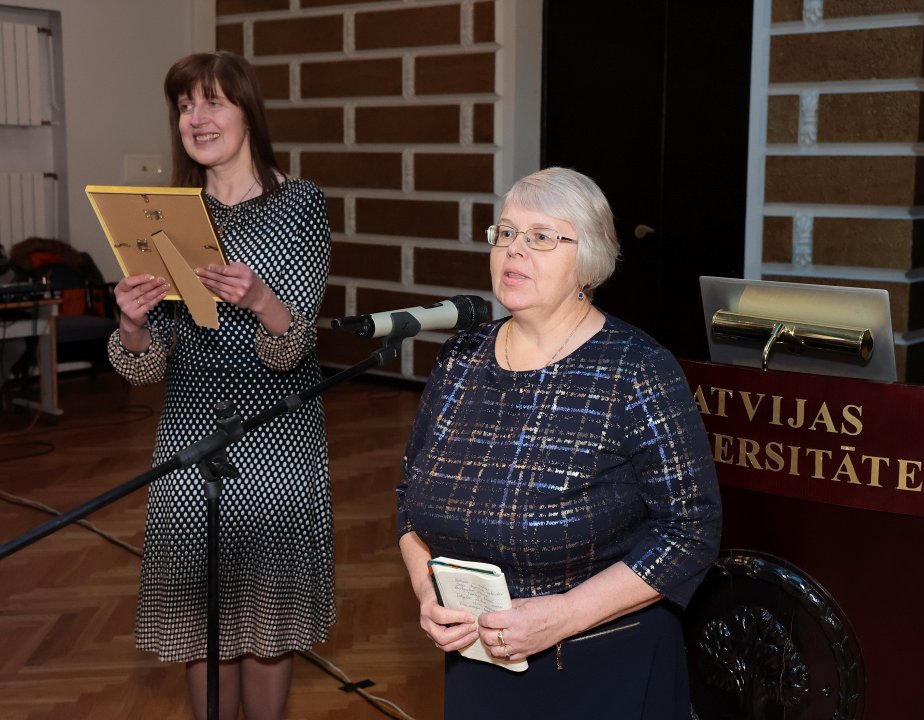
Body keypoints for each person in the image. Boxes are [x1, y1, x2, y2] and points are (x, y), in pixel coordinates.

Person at [396, 167, 722, 719]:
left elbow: (692, 530)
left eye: (541, 237)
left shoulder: (635, 369)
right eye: (505, 233)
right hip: (478, 659)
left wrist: (563, 615)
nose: (514, 250)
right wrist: (429, 592)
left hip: (601, 664)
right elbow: (409, 497)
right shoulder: (459, 358)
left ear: (588, 261)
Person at [108, 51, 333, 720]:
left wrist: (264, 301)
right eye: (184, 106)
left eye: (211, 103)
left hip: (275, 432)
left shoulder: (300, 204)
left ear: (246, 113)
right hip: (187, 431)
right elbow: (144, 369)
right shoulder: (166, 216)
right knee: (198, 624)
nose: (196, 119)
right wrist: (132, 323)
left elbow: (290, 351)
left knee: (266, 625)